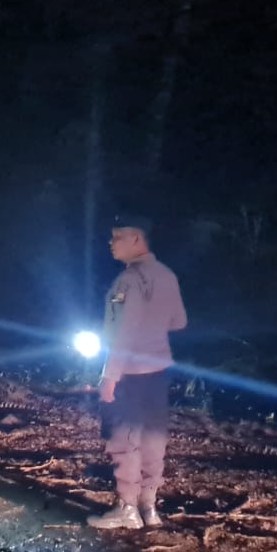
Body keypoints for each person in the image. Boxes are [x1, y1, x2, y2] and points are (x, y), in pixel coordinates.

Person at [88, 216, 187, 531]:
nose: (111, 243)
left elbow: (123, 333)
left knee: (124, 437)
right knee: (153, 437)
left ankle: (127, 509)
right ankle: (149, 507)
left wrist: (110, 376)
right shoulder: (166, 275)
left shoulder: (128, 281)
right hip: (158, 370)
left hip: (129, 372)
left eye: (117, 237)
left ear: (136, 239)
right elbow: (179, 322)